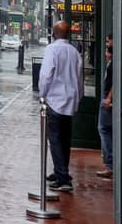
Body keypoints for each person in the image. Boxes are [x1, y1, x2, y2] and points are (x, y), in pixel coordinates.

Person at [39, 20, 83, 192]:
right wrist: (78, 98)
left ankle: (63, 178)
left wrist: (42, 95)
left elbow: (46, 75)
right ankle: (60, 172)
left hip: (55, 101)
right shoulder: (75, 52)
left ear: (54, 33)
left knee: (55, 140)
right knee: (65, 140)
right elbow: (79, 79)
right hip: (70, 101)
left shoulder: (52, 50)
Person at [98, 36, 114, 179]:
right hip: (107, 99)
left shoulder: (114, 64)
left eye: (108, 42)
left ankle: (111, 164)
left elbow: (115, 82)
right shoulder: (110, 63)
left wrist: (108, 98)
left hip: (108, 101)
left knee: (104, 129)